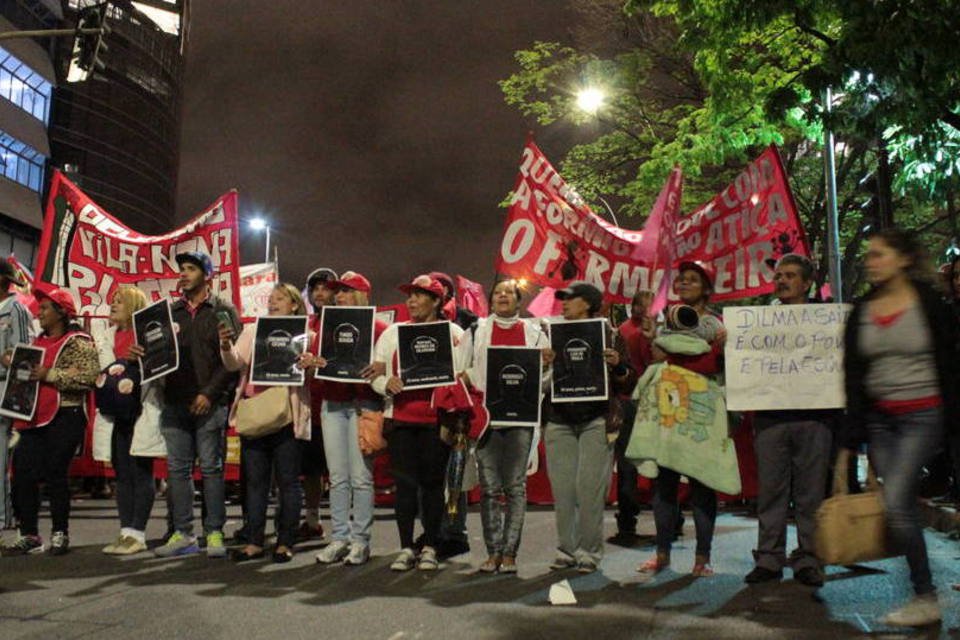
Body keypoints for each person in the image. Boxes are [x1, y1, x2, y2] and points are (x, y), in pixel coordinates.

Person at [842, 229, 957, 627]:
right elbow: (854, 375)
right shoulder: (862, 311)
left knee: (896, 502)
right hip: (881, 420)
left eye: (879, 254)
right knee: (901, 507)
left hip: (923, 414)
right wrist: (851, 436)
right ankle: (924, 597)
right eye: (868, 255)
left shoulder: (930, 303)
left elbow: (949, 359)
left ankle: (925, 596)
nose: (870, 261)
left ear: (904, 259)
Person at [744, 254, 833, 587]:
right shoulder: (758, 322)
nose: (781, 281)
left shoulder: (825, 319)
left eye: (790, 276)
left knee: (810, 495)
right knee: (771, 493)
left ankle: (808, 559)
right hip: (771, 418)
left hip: (814, 418)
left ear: (807, 283)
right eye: (778, 276)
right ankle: (769, 559)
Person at [638, 261, 726, 576]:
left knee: (702, 485)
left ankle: (702, 559)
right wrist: (652, 337)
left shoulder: (717, 325)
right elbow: (661, 359)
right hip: (670, 407)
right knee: (665, 485)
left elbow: (712, 365)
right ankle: (662, 555)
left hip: (702, 411)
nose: (685, 284)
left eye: (692, 279)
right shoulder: (667, 324)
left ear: (706, 288)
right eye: (682, 280)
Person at [371, 274, 464, 571]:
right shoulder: (394, 333)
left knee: (434, 486)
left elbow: (465, 372)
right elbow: (375, 373)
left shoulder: (454, 333)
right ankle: (405, 547)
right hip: (401, 420)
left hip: (436, 421)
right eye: (409, 295)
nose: (411, 300)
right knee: (405, 486)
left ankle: (431, 547)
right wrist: (387, 383)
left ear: (437, 301)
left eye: (419, 295)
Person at [151, 251, 240, 558]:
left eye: (191, 268)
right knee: (177, 471)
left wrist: (210, 394)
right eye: (182, 269)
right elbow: (159, 355)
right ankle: (183, 533)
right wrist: (143, 354)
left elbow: (232, 360)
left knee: (212, 470)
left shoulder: (223, 310)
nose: (184, 274)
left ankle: (214, 532)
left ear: (207, 275)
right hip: (175, 402)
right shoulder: (169, 313)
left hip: (210, 405)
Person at [544, 281, 636, 574]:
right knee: (563, 490)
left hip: (597, 420)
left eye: (570, 299)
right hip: (559, 420)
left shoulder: (610, 334)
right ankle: (567, 550)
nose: (564, 303)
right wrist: (545, 364)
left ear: (588, 303)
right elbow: (539, 382)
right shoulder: (549, 334)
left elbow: (629, 380)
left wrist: (618, 365)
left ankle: (590, 552)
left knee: (590, 490)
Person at [458, 279, 549, 573]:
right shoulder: (477, 330)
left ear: (519, 301)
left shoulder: (536, 333)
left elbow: (544, 382)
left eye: (508, 292)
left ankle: (510, 554)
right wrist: (469, 377)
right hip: (487, 419)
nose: (502, 296)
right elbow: (462, 370)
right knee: (489, 488)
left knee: (515, 488)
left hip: (521, 420)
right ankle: (492, 552)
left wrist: (546, 367)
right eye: (497, 292)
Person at [1, 285, 98, 556]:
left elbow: (89, 377)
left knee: (56, 474)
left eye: (45, 308)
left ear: (61, 312)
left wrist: (50, 374)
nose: (39, 312)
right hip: (32, 419)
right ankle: (29, 534)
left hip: (64, 416)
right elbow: (26, 375)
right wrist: (13, 362)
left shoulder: (79, 341)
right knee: (23, 475)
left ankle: (60, 532)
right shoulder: (36, 343)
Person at [221, 282, 311, 563]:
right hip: (256, 414)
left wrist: (309, 362)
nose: (273, 302)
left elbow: (312, 375)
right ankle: (255, 541)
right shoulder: (252, 330)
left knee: (288, 483)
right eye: (271, 298)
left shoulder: (306, 334)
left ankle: (285, 541)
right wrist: (225, 346)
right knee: (256, 483)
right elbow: (234, 364)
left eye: (280, 298)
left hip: (287, 415)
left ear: (294, 304)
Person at [312, 272, 388, 566]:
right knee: (338, 478)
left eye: (345, 291)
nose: (338, 296)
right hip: (332, 404)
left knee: (361, 478)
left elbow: (390, 367)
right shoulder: (326, 328)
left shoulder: (380, 328)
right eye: (337, 291)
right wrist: (313, 363)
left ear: (361, 294)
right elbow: (318, 365)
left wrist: (380, 368)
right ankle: (340, 538)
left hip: (363, 404)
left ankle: (361, 542)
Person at [96, 285, 162, 555]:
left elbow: (161, 370)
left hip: (141, 411)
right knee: (121, 474)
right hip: (116, 414)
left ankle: (138, 533)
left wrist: (140, 361)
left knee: (140, 472)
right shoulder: (105, 336)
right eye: (112, 300)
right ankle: (125, 532)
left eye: (120, 301)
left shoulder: (146, 336)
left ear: (135, 305)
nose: (113, 305)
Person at [428, 271, 476, 558]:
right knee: (432, 478)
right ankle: (436, 530)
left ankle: (456, 532)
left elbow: (472, 361)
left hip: (453, 409)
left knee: (455, 474)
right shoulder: (409, 328)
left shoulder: (466, 324)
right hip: (426, 408)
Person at [298, 267, 338, 541]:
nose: (320, 293)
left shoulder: (345, 322)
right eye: (315, 289)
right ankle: (312, 520)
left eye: (325, 288)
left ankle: (345, 531)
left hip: (338, 405)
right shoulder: (303, 324)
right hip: (310, 408)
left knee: (339, 470)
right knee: (311, 470)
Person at [612, 289, 655, 543]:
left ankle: (628, 522)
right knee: (636, 462)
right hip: (638, 401)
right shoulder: (627, 331)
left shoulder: (626, 331)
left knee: (636, 462)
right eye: (642, 305)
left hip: (641, 400)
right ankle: (631, 518)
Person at [0, 261, 31, 534]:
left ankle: (2, 517)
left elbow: (25, 356)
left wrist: (18, 400)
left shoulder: (16, 309)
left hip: (5, 390)